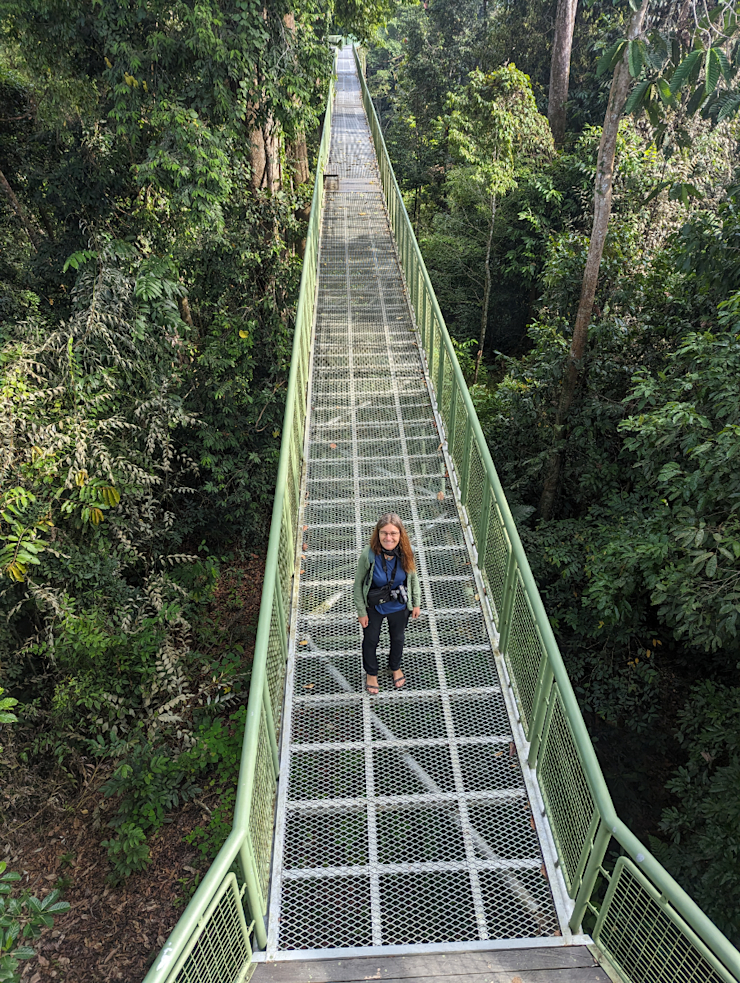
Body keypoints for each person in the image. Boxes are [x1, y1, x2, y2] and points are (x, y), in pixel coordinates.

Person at [353, 513, 421, 694]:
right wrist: (361, 611)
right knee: (371, 639)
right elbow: (358, 584)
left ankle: (395, 666)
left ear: (400, 535)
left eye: (393, 533)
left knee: (398, 639)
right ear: (378, 533)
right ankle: (371, 673)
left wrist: (416, 603)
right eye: (384, 533)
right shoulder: (369, 555)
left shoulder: (407, 552)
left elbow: (414, 579)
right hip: (374, 606)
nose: (388, 538)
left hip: (399, 605)